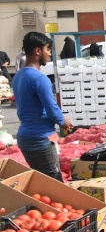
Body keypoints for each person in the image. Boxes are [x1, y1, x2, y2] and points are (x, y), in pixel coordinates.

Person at [13, 32, 73, 182]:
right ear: (37, 51)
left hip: (25, 137)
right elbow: (52, 110)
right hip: (40, 138)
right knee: (54, 181)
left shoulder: (19, 76)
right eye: (48, 49)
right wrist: (63, 120)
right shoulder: (40, 79)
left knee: (41, 181)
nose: (50, 54)